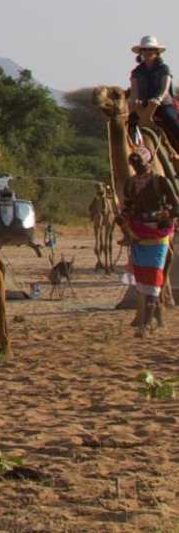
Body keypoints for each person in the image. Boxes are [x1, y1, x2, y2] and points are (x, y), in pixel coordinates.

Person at [121, 146, 176, 336]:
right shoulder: (129, 183)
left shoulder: (160, 182)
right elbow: (127, 207)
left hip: (158, 235)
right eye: (133, 163)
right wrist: (125, 219)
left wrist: (162, 217)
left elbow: (176, 206)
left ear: (147, 161)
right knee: (143, 280)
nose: (136, 165)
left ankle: (145, 325)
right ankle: (151, 319)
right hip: (138, 234)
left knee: (152, 280)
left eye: (139, 161)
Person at [128, 35, 179, 154]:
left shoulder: (163, 68)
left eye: (150, 49)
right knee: (131, 123)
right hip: (144, 106)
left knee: (171, 119)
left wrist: (158, 98)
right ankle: (134, 152)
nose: (148, 52)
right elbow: (134, 91)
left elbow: (165, 88)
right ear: (140, 52)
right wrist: (134, 101)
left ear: (156, 51)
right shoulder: (137, 71)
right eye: (145, 49)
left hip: (163, 104)